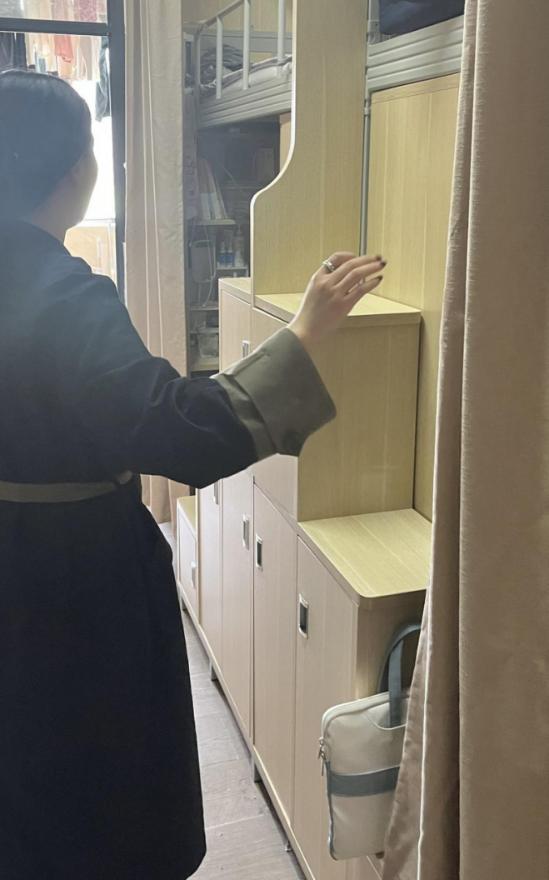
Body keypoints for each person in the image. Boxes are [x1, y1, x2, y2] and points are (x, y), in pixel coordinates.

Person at [0, 70, 386, 880]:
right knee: (99, 771)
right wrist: (304, 333)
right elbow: (174, 429)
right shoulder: (60, 295)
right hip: (71, 572)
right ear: (76, 170)